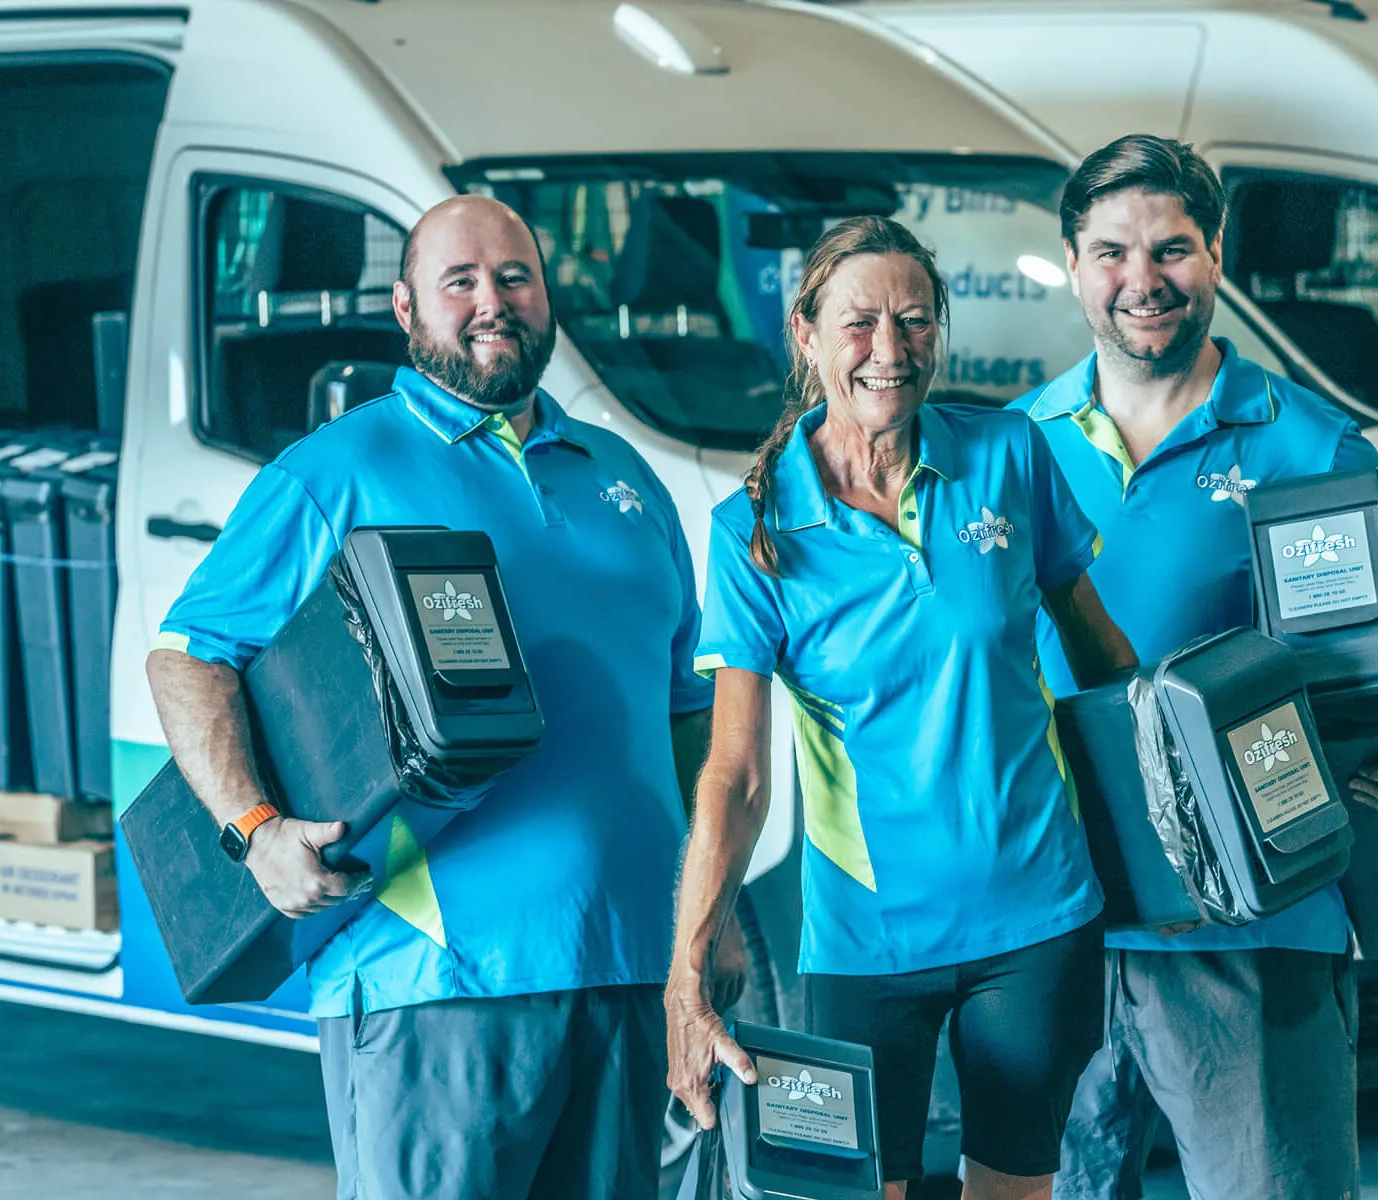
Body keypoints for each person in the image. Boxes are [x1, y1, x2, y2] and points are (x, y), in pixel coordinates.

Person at [147, 195, 731, 1200]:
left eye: (515, 277)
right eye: (460, 281)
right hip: (435, 975)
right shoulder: (339, 469)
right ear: (405, 307)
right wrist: (255, 828)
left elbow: (685, 715)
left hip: (631, 965)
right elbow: (188, 658)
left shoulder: (623, 477)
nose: (493, 301)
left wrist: (708, 918)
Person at [1011, 135, 1378, 1200]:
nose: (1142, 280)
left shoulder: (1304, 443)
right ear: (1074, 264)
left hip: (1252, 919)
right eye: (1112, 252)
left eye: (1171, 249)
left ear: (1217, 255)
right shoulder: (1014, 446)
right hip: (1057, 917)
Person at [665, 215, 1137, 1200]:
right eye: (861, 323)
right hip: (866, 942)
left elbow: (1104, 662)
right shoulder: (753, 530)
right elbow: (736, 774)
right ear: (805, 333)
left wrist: (1169, 852)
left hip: (1038, 917)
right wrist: (687, 970)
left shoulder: (1007, 456)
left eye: (916, 321)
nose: (892, 349)